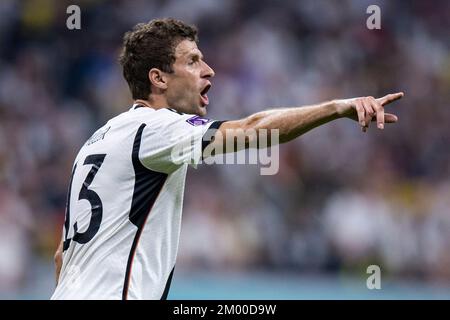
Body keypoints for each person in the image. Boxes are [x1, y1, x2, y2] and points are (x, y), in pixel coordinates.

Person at [51, 18, 404, 300]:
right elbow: (255, 129)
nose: (209, 70)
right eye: (192, 61)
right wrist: (336, 107)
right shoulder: (157, 128)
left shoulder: (96, 142)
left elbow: (60, 259)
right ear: (157, 78)